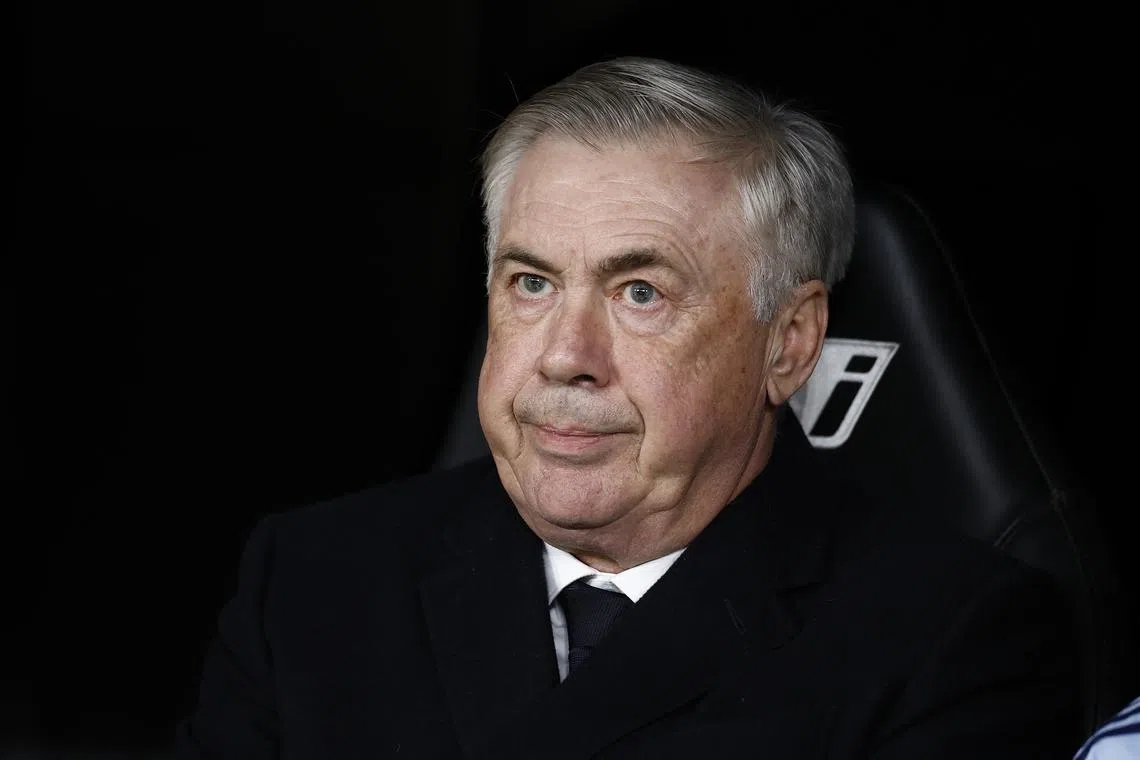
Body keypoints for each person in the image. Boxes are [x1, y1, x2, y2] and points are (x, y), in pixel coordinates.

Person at [176, 56, 1081, 758]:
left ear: (790, 343)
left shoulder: (949, 642)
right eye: (530, 283)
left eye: (639, 292)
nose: (567, 355)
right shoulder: (310, 583)